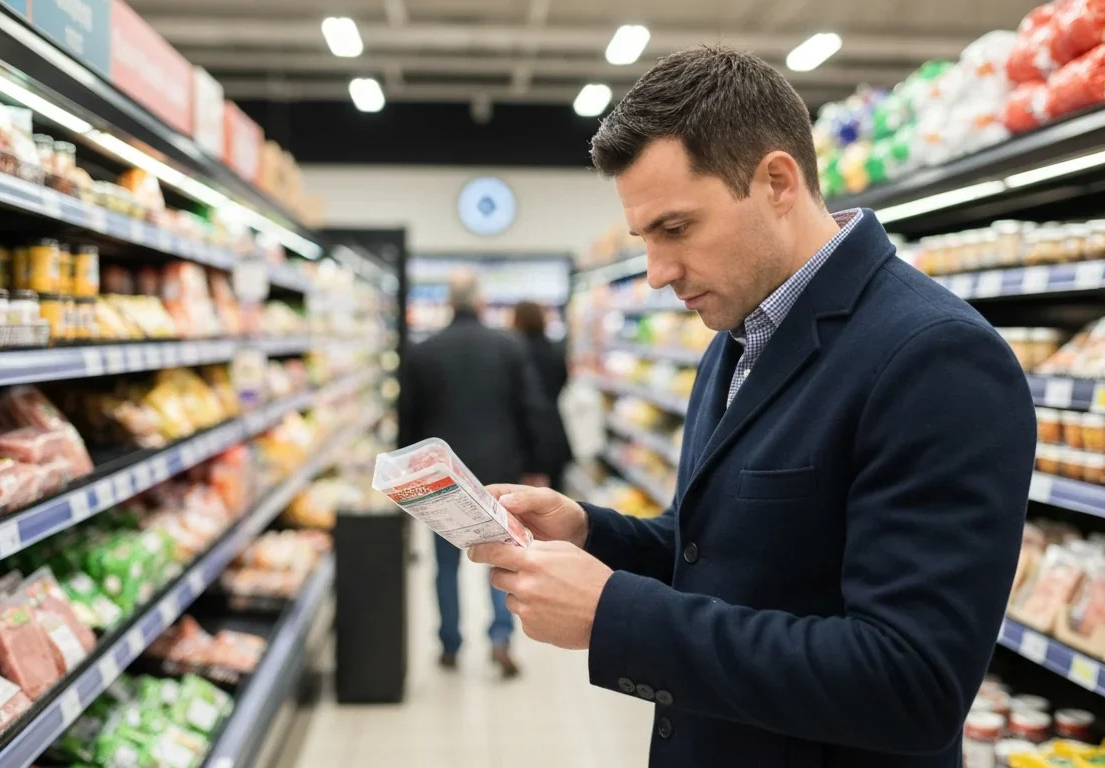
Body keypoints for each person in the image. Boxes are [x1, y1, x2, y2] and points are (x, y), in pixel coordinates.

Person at [468, 46, 1035, 766]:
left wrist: (617, 616)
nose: (656, 272)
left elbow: (911, 683)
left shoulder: (936, 358)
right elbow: (721, 550)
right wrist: (591, 533)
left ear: (776, 181)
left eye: (676, 229)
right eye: (646, 239)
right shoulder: (740, 335)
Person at [399, 270, 550, 679]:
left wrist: (403, 478)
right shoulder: (509, 347)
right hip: (499, 473)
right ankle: (500, 638)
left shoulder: (424, 351)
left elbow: (408, 419)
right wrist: (537, 465)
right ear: (480, 302)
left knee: (445, 564)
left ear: (450, 303)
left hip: (440, 479)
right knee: (501, 560)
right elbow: (531, 410)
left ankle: (450, 642)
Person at [510, 301, 573, 491]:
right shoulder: (554, 350)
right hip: (553, 431)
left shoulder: (513, 351)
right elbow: (563, 381)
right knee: (555, 493)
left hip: (524, 438)